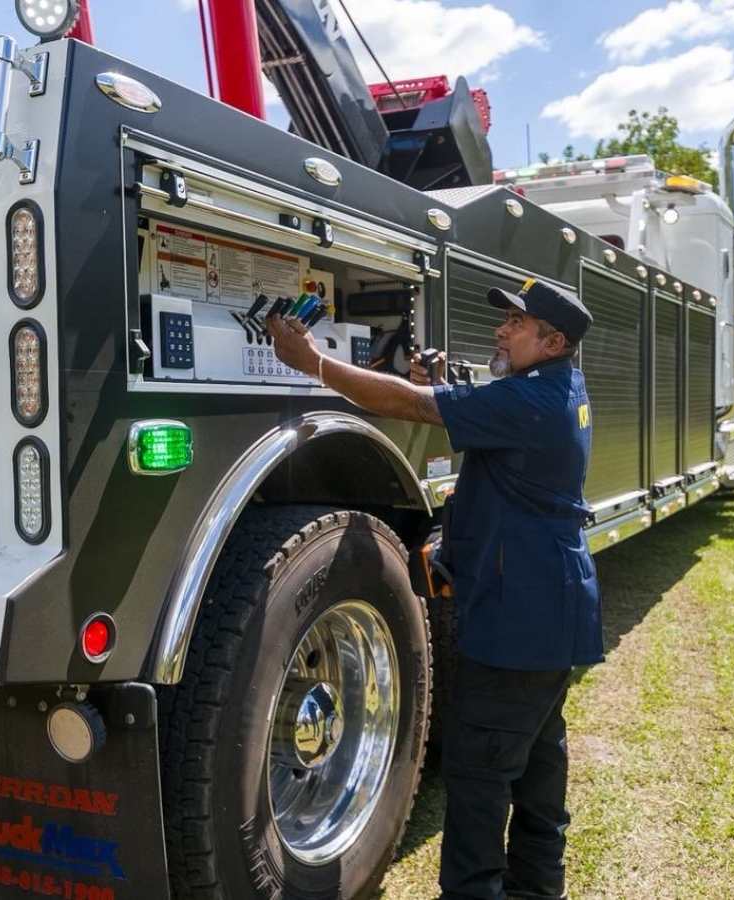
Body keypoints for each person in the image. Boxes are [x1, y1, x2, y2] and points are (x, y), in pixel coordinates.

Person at [267, 277, 603, 900]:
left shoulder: (531, 402)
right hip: (550, 615)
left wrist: (313, 362)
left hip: (518, 624)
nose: (501, 330)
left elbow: (420, 409)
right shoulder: (556, 389)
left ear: (553, 341)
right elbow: (484, 411)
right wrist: (447, 384)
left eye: (516, 324)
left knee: (480, 776)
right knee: (536, 767)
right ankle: (536, 889)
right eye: (503, 319)